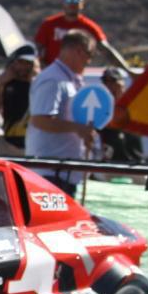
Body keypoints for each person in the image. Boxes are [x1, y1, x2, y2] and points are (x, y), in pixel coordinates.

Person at [26, 29, 97, 196]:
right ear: (79, 50)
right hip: (50, 173)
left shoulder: (69, 79)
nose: (89, 61)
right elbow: (41, 120)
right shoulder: (53, 79)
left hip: (64, 171)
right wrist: (78, 129)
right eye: (90, 54)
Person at [34, 0, 107, 68]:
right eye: (68, 0)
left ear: (82, 3)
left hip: (76, 72)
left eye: (75, 0)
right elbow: (38, 48)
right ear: (63, 2)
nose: (72, 4)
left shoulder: (90, 27)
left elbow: (105, 49)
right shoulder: (49, 24)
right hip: (52, 71)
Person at [0, 46, 37, 150]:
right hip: (8, 141)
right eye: (20, 62)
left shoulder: (39, 84)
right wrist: (0, 83)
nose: (24, 67)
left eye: (28, 63)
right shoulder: (7, 82)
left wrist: (34, 82)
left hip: (31, 143)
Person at [99, 67, 144, 163]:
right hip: (108, 167)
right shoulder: (100, 112)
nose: (110, 85)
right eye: (105, 81)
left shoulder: (132, 106)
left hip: (135, 166)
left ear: (122, 84)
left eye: (113, 81)